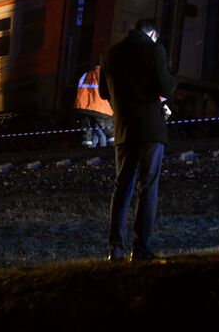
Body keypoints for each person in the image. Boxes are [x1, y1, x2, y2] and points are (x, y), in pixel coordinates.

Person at [99, 19, 174, 262]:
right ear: (153, 34)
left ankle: (116, 250)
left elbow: (102, 92)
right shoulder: (155, 50)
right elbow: (166, 87)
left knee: (122, 187)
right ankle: (140, 248)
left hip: (123, 129)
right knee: (148, 186)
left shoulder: (110, 53)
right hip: (151, 129)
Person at [73, 64, 114, 148]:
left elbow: (78, 90)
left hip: (83, 107)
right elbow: (110, 92)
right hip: (101, 108)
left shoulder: (85, 75)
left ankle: (86, 152)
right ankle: (111, 154)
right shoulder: (105, 75)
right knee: (110, 134)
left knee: (87, 133)